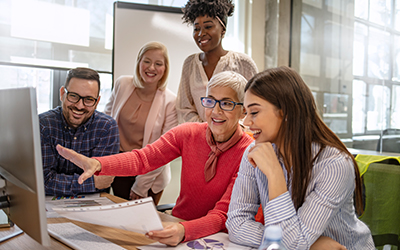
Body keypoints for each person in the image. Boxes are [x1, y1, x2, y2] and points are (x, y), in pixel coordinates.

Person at [56, 71, 253, 246]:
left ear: (243, 110)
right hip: (177, 226)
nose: (216, 111)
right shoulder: (188, 133)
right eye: (210, 100)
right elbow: (143, 159)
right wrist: (99, 164)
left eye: (226, 103)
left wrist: (185, 231)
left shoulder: (248, 152)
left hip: (218, 239)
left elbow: (221, 215)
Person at [226, 66, 375, 250]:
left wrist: (274, 173)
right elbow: (236, 224)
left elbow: (293, 244)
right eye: (246, 113)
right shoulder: (255, 152)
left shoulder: (334, 165)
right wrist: (311, 245)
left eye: (254, 112)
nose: (247, 122)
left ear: (286, 112)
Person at [104, 41, 178, 204]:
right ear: (139, 62)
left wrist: (141, 185)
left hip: (150, 174)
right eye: (147, 61)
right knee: (118, 222)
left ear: (165, 69)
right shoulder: (122, 84)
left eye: (158, 64)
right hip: (120, 166)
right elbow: (105, 123)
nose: (151, 68)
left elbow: (164, 150)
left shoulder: (171, 101)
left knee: (142, 226)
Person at [39, 67, 119, 196]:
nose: (80, 106)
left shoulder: (107, 127)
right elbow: (43, 181)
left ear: (97, 102)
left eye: (88, 99)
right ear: (62, 94)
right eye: (73, 96)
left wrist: (61, 182)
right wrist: (91, 183)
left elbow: (103, 182)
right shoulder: (43, 125)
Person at [176, 0, 258, 123]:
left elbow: (254, 106)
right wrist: (205, 130)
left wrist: (228, 131)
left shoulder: (243, 63)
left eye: (208, 27)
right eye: (196, 28)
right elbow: (184, 108)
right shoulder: (190, 64)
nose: (201, 34)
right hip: (198, 137)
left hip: (236, 138)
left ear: (223, 30)